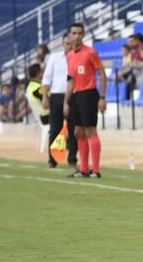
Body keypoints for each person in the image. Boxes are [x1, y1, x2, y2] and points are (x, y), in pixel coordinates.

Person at [63, 23, 107, 178]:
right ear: (69, 35)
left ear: (83, 35)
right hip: (76, 96)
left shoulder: (90, 53)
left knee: (90, 131)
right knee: (78, 132)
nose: (76, 36)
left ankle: (96, 170)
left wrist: (102, 97)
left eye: (80, 33)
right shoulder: (69, 56)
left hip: (89, 94)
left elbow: (102, 74)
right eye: (74, 33)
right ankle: (84, 169)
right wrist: (66, 101)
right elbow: (71, 80)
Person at [40, 33, 77, 168]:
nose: (69, 46)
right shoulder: (54, 57)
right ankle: (53, 159)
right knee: (55, 129)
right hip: (56, 96)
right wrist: (45, 96)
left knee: (74, 129)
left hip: (74, 96)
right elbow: (47, 78)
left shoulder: (78, 58)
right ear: (62, 44)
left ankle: (72, 158)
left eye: (71, 43)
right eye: (67, 43)